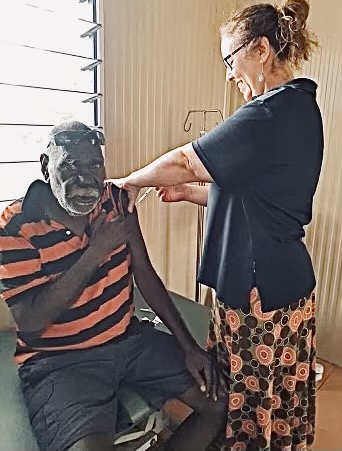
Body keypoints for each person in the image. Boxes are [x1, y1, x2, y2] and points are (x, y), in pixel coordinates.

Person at [110, 0, 324, 449]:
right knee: (277, 395)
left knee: (248, 400)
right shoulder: (302, 109)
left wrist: (129, 181)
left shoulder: (267, 114)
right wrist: (188, 194)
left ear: (261, 50)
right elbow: (256, 195)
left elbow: (188, 160)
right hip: (286, 283)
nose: (229, 73)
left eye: (231, 60)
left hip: (258, 291)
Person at [0, 121, 227, 451]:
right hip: (61, 362)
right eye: (71, 164)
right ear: (47, 167)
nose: (85, 177)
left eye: (94, 164)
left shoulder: (116, 201)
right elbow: (32, 320)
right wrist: (96, 251)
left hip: (129, 341)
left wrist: (188, 346)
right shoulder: (15, 227)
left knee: (219, 401)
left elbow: (145, 276)